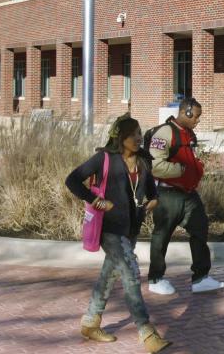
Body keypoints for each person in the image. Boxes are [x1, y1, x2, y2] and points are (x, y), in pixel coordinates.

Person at [65, 114, 171, 353]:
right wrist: (96, 200)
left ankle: (91, 322)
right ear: (121, 137)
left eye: (139, 133)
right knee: (131, 273)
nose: (138, 137)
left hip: (132, 228)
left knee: (110, 273)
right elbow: (72, 180)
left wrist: (152, 202)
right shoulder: (104, 158)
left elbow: (152, 192)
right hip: (110, 230)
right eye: (133, 134)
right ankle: (147, 332)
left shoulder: (144, 160)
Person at [146, 97, 224, 295]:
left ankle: (200, 278)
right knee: (162, 235)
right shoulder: (165, 132)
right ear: (185, 112)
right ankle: (155, 279)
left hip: (188, 194)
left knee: (200, 229)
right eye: (196, 116)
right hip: (167, 194)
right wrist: (181, 169)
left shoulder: (188, 133)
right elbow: (154, 165)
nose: (198, 120)